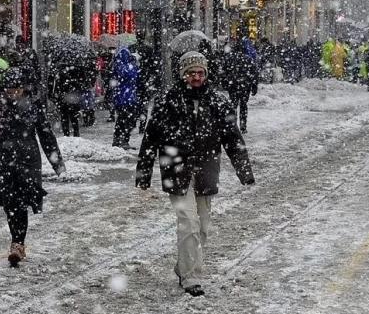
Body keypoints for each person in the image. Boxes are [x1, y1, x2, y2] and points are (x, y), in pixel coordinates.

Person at [136, 51, 255, 297]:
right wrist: (143, 173)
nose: (196, 77)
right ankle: (190, 277)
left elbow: (233, 139)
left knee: (203, 226)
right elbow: (150, 138)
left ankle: (183, 266)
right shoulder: (168, 101)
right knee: (188, 223)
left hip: (206, 171)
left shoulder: (218, 102)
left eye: (200, 72)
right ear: (183, 75)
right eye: (191, 73)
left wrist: (244, 171)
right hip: (176, 170)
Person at [0, 68, 65, 266]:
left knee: (21, 201)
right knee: (9, 203)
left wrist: (57, 163)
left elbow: (45, 134)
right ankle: (16, 240)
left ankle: (18, 243)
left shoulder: (33, 105)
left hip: (27, 160)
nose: (12, 93)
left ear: (22, 88)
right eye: (8, 89)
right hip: (3, 160)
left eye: (16, 89)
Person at [222, 40, 259, 133]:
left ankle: (233, 125)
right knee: (243, 105)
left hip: (233, 85)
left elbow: (224, 73)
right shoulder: (248, 59)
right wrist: (254, 85)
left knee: (233, 105)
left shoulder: (229, 59)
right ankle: (243, 126)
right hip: (245, 86)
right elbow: (254, 73)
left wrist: (225, 83)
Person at [111, 47, 139, 149]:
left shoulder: (119, 65)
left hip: (125, 97)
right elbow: (131, 74)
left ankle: (120, 139)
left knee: (124, 120)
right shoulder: (121, 66)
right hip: (125, 98)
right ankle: (122, 140)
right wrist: (133, 63)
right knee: (126, 120)